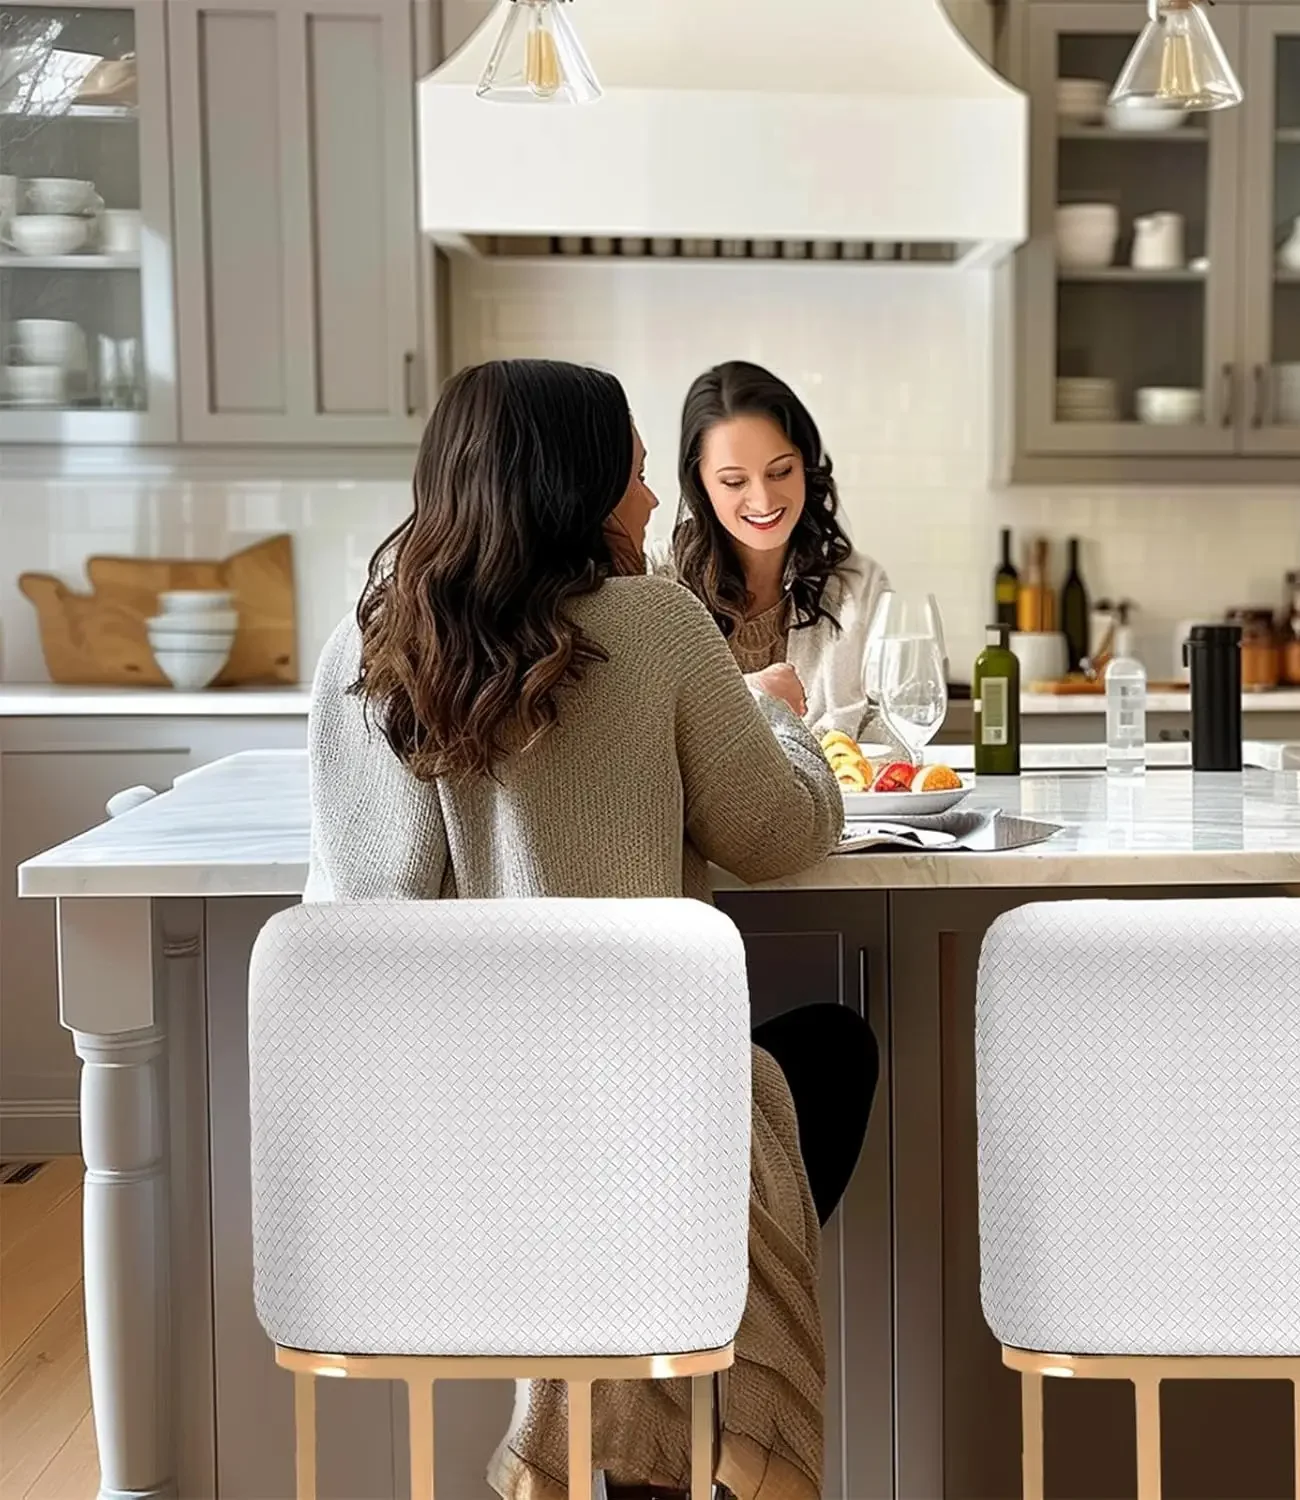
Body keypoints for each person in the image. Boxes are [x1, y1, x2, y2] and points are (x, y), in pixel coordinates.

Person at [304, 359, 877, 1500]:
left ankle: (579, 1438)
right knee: (826, 1058)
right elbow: (776, 834)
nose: (655, 505)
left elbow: (355, 932)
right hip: (633, 1117)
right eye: (638, 478)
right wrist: (787, 730)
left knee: (644, 1158)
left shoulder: (362, 651)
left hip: (430, 1140)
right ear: (574, 488)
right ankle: (690, 1438)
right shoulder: (658, 625)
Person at [666, 360, 891, 739]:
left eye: (780, 472)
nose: (763, 498)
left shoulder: (860, 587)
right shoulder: (657, 583)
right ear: (700, 486)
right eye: (735, 481)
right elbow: (642, 733)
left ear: (805, 464)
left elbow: (892, 738)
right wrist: (750, 695)